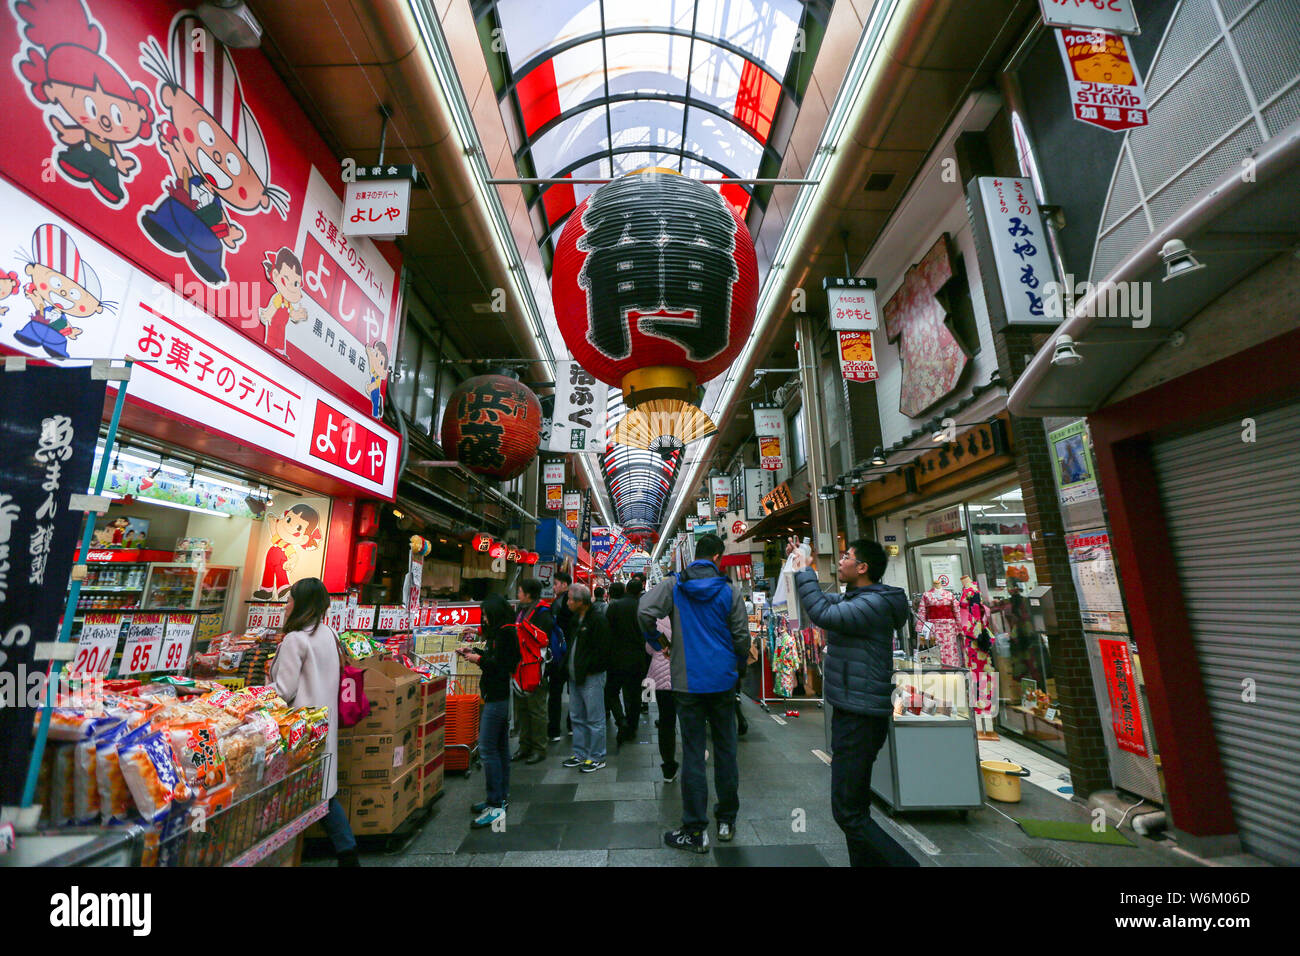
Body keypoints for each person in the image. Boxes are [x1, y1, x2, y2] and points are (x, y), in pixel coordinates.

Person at [790, 537, 919, 868]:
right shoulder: (862, 598)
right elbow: (824, 601)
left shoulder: (872, 604)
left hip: (860, 717)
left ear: (862, 568)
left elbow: (821, 612)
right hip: (854, 711)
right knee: (856, 809)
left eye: (846, 557)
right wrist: (805, 565)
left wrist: (805, 573)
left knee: (847, 812)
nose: (841, 561)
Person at [638, 533, 749, 853]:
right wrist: (737, 666)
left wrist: (658, 642)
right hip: (722, 683)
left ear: (693, 557)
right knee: (727, 752)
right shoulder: (730, 591)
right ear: (717, 558)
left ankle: (695, 830)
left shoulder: (674, 586)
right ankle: (726, 820)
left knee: (693, 754)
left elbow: (644, 611)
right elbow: (741, 638)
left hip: (686, 683)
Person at [270, 577, 357, 866]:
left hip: (298, 732)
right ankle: (348, 854)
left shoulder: (296, 640)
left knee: (300, 795)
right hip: (322, 726)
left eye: (290, 599)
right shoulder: (328, 634)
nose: (286, 605)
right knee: (323, 794)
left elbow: (283, 691)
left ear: (301, 603)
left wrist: (254, 692)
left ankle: (286, 857)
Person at [458, 594, 519, 829]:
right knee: (500, 748)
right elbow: (496, 659)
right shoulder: (503, 632)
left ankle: (495, 804)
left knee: (487, 749)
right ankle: (499, 798)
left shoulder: (504, 633)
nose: (483, 618)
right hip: (499, 697)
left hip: (498, 697)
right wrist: (473, 651)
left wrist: (478, 659)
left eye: (485, 614)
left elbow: (501, 666)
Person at [562, 583, 611, 773]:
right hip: (575, 676)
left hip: (591, 677)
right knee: (577, 716)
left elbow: (604, 650)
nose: (567, 603)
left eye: (570, 599)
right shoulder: (576, 619)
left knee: (594, 718)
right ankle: (580, 753)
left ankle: (597, 756)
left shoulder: (597, 620)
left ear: (581, 602)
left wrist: (592, 668)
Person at [512, 578, 553, 765]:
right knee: (521, 709)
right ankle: (524, 745)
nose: (518, 595)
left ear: (528, 594)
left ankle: (539, 748)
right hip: (519, 668)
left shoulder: (542, 613)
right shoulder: (520, 610)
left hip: (535, 669)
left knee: (536, 709)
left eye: (520, 591)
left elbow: (543, 641)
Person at [606, 577, 647, 747]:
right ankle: (632, 726)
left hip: (616, 657)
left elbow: (606, 630)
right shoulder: (643, 607)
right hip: (638, 657)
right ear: (639, 592)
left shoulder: (614, 606)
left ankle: (621, 720)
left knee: (611, 691)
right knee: (635, 694)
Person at [645, 615, 677, 782]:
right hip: (685, 675)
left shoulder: (657, 621)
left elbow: (650, 649)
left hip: (661, 676)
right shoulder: (688, 613)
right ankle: (697, 758)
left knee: (666, 722)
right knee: (691, 721)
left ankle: (668, 767)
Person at [547, 571, 574, 742]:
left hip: (558, 656)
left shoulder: (557, 604)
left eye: (556, 584)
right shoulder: (576, 603)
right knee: (574, 693)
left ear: (564, 584)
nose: (554, 587)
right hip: (572, 654)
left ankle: (554, 730)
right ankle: (572, 726)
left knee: (555, 694)